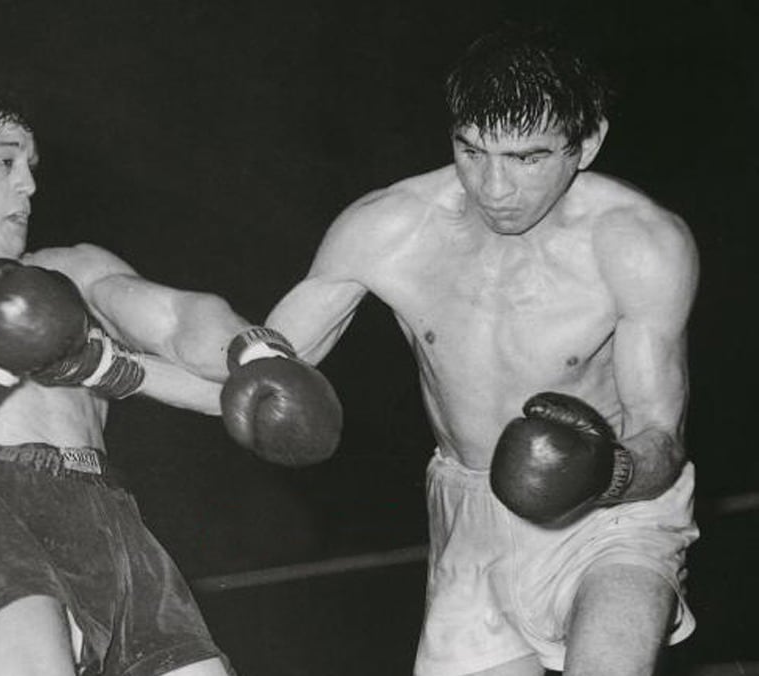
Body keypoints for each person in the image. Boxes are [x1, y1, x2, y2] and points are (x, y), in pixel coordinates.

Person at [0, 76, 341, 676]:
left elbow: (175, 320)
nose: (30, 184)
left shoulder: (70, 270)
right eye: (5, 161)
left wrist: (249, 353)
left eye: (31, 165)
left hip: (108, 512)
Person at [264, 24, 699, 676]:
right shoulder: (389, 228)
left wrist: (601, 473)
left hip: (614, 517)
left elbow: (660, 437)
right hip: (468, 516)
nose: (493, 188)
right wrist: (105, 363)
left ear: (587, 143)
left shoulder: (636, 244)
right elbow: (259, 369)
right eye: (472, 151)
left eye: (526, 158)